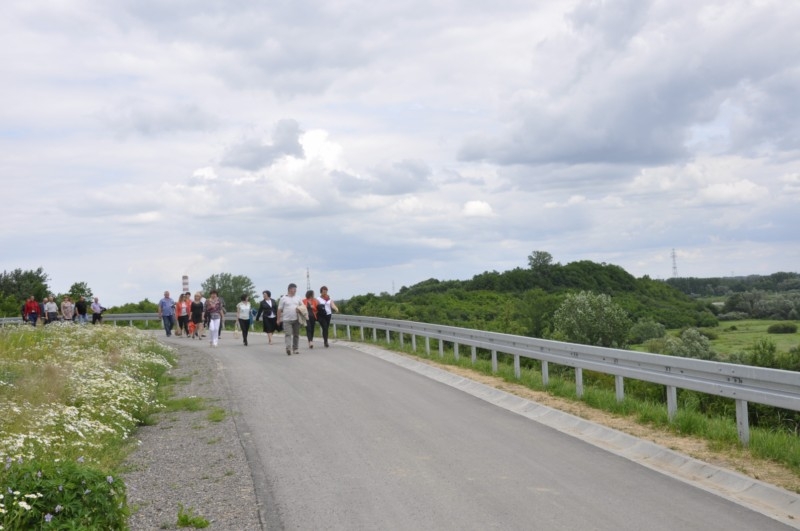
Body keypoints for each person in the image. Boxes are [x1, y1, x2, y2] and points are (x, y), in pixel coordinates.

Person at [277, 283, 303, 356]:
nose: (295, 290)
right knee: (288, 334)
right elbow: (279, 309)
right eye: (294, 289)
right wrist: (278, 319)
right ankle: (288, 348)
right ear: (289, 289)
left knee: (296, 335)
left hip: (296, 319)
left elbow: (303, 307)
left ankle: (295, 348)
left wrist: (299, 309)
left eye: (295, 289)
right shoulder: (283, 298)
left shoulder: (298, 298)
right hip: (286, 319)